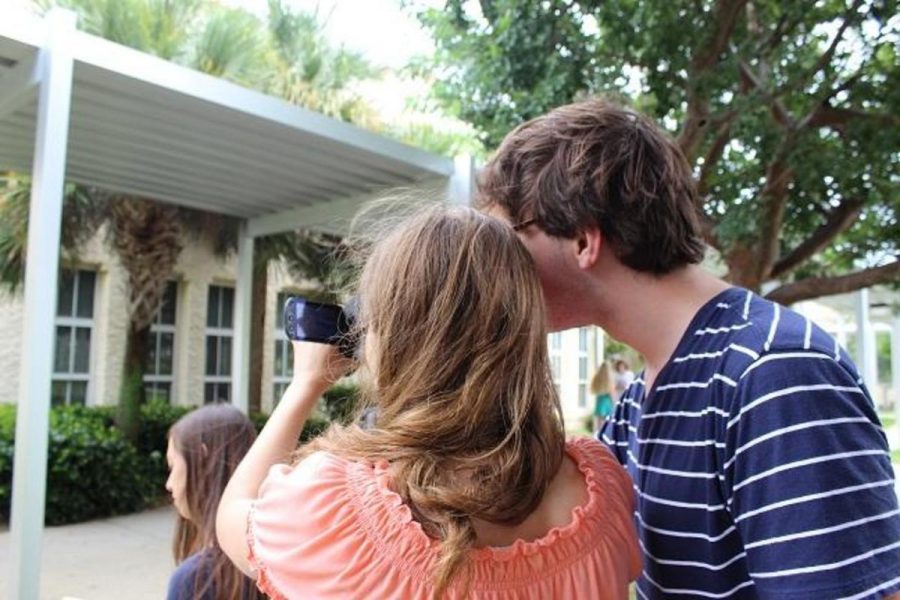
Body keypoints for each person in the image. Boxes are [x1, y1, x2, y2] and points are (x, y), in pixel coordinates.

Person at [477, 98, 900, 599]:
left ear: (583, 242)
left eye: (507, 239)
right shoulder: (644, 395)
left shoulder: (774, 372)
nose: (495, 264)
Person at [216, 206, 641, 599]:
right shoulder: (602, 489)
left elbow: (234, 516)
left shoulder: (335, 510)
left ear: (398, 335)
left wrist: (305, 384)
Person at [166, 404, 263, 600]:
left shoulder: (194, 580)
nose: (169, 484)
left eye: (172, 466)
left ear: (203, 459)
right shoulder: (282, 556)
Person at [590, 361, 616, 432]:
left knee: (599, 420)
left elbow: (593, 389)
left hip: (599, 400)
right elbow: (611, 393)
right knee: (607, 421)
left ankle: (598, 434)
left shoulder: (597, 377)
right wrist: (614, 402)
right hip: (607, 401)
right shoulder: (609, 379)